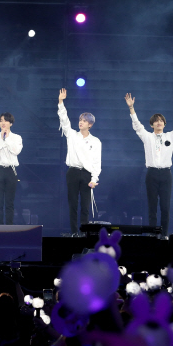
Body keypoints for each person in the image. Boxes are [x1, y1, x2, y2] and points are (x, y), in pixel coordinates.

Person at [125, 93, 173, 238]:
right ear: (151, 125)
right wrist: (131, 108)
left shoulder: (170, 136)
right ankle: (153, 235)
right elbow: (137, 125)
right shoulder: (147, 136)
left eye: (161, 121)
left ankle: (164, 235)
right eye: (156, 121)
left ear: (164, 124)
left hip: (166, 174)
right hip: (151, 174)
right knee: (152, 206)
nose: (159, 123)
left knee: (165, 207)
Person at [58, 88, 101, 237]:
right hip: (73, 172)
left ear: (90, 124)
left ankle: (84, 233)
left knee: (85, 206)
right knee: (72, 204)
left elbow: (97, 162)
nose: (81, 122)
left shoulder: (95, 141)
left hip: (87, 174)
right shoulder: (72, 135)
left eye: (84, 121)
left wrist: (94, 179)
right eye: (80, 120)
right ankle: (74, 232)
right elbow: (64, 121)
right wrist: (61, 102)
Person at [0, 113, 23, 225]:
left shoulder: (17, 137)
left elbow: (16, 151)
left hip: (11, 171)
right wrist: (1, 140)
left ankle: (9, 227)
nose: (3, 123)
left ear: (11, 123)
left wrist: (7, 139)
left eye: (6, 120)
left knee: (9, 202)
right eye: (1, 121)